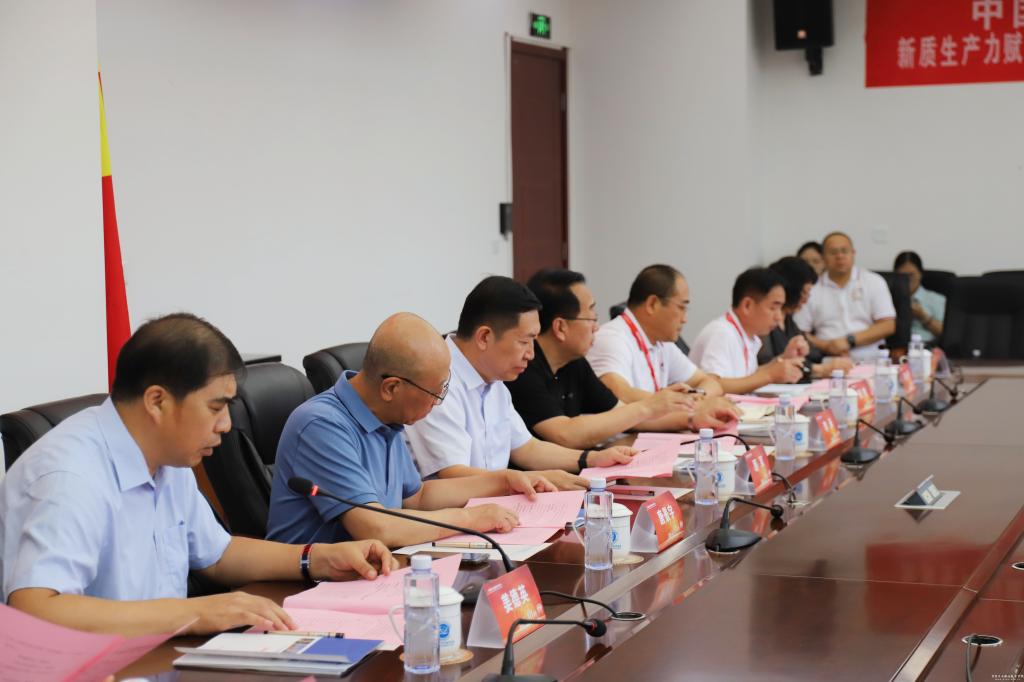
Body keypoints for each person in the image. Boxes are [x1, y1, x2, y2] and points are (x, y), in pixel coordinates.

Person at [0, 313, 397, 637]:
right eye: (215, 408)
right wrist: (194, 612)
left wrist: (317, 557)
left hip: (162, 658)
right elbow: (37, 610)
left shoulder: (167, 455)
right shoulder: (70, 476)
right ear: (157, 401)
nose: (226, 425)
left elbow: (218, 554)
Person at [267, 313, 560, 548]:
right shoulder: (321, 425)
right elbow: (376, 527)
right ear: (391, 388)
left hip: (370, 572)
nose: (438, 401)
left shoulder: (386, 416)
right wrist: (470, 518)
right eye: (434, 392)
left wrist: (504, 481)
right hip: (306, 589)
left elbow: (417, 498)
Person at [405, 276, 637, 488]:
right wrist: (528, 480)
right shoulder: (438, 380)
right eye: (524, 342)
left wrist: (592, 458)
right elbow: (453, 475)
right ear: (484, 337)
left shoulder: (493, 378)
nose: (531, 354)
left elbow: (527, 448)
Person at [506, 268, 699, 449]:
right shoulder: (523, 368)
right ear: (560, 327)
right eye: (591, 319)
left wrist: (691, 418)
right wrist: (648, 406)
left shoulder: (574, 362)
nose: (597, 328)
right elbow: (565, 434)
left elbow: (621, 414)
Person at [586, 264, 739, 428]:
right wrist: (688, 404)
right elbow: (617, 393)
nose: (685, 319)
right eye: (681, 307)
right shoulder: (612, 338)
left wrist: (697, 397)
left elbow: (710, 382)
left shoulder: (662, 342)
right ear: (652, 304)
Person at [689, 268, 806, 394]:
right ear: (747, 305)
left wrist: (783, 358)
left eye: (780, 309)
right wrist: (770, 375)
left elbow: (747, 377)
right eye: (773, 308)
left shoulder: (747, 335)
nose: (779, 317)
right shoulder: (721, 333)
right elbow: (712, 384)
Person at [793, 232, 896, 361]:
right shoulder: (812, 288)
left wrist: (849, 341)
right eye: (833, 252)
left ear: (853, 253)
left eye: (844, 251)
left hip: (871, 359)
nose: (840, 256)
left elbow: (888, 325)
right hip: (827, 359)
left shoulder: (873, 281)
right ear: (823, 257)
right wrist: (827, 346)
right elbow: (800, 332)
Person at [760, 256, 854, 379]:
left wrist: (831, 357)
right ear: (791, 290)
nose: (806, 300)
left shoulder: (788, 319)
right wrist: (821, 369)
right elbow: (768, 364)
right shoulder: (764, 322)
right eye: (804, 293)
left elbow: (811, 353)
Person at [893, 251, 944, 343]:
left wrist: (923, 317)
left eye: (911, 275)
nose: (907, 280)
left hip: (926, 346)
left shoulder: (936, 299)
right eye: (902, 276)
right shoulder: (886, 299)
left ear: (920, 274)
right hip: (895, 347)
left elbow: (946, 333)